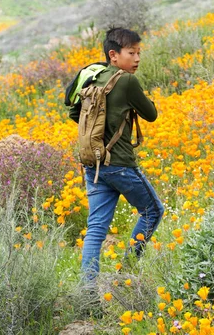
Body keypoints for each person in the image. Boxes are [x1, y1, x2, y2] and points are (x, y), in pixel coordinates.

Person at [68, 27, 165, 283]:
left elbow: (74, 114)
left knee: (96, 229)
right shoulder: (127, 81)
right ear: (113, 54)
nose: (137, 59)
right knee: (153, 211)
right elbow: (151, 114)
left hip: (94, 165)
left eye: (138, 53)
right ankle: (128, 273)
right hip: (120, 165)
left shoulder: (93, 77)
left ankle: (88, 291)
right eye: (131, 53)